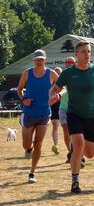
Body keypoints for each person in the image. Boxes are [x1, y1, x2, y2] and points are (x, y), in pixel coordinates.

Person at [49, 40, 94, 194]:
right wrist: (53, 96)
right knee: (77, 145)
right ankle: (75, 181)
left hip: (91, 114)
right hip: (74, 114)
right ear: (76, 55)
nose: (87, 54)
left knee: (90, 153)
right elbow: (54, 89)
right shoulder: (68, 73)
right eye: (83, 51)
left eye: (89, 51)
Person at [17, 50, 59, 183]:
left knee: (38, 144)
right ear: (34, 60)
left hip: (44, 113)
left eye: (41, 59)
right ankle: (28, 149)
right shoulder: (27, 73)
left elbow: (62, 87)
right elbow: (19, 89)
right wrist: (23, 99)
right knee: (26, 144)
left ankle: (32, 172)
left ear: (45, 60)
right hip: (29, 112)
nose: (39, 61)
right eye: (37, 59)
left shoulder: (51, 74)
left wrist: (58, 95)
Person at [59, 57, 76, 164]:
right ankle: (71, 153)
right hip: (63, 108)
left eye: (72, 62)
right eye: (68, 62)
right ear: (65, 64)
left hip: (75, 108)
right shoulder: (63, 75)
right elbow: (59, 88)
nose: (70, 64)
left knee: (75, 133)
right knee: (66, 132)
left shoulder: (78, 74)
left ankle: (76, 153)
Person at [50, 67, 63, 155]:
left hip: (63, 107)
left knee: (67, 128)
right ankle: (56, 145)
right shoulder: (50, 86)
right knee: (55, 126)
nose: (57, 75)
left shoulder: (64, 84)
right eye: (56, 73)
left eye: (59, 74)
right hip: (53, 107)